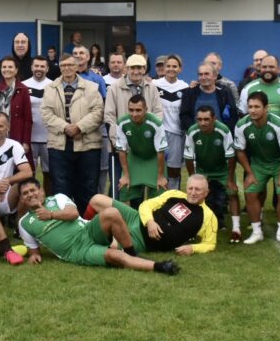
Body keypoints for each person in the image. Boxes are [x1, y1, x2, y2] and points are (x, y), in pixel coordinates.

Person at [14, 178, 179, 274]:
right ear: (21, 199)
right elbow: (34, 251)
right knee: (114, 256)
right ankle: (160, 266)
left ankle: (132, 254)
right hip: (76, 250)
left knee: (112, 213)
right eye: (25, 193)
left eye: (33, 190)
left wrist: (50, 215)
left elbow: (73, 214)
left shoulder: (57, 198)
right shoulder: (24, 223)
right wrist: (34, 257)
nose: (30, 195)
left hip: (87, 230)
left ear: (41, 191)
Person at [86, 173, 218, 255]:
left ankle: (85, 239)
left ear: (206, 192)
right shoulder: (174, 194)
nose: (193, 193)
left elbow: (210, 244)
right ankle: (84, 225)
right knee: (97, 199)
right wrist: (150, 222)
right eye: (190, 188)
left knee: (112, 246)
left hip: (143, 240)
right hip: (136, 218)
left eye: (198, 189)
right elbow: (147, 204)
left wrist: (193, 248)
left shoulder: (208, 216)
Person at [39, 53, 104, 212]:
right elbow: (46, 114)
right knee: (61, 188)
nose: (66, 68)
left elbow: (98, 112)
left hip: (87, 146)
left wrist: (79, 127)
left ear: (76, 66)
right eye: (63, 65)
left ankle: (87, 222)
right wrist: (65, 127)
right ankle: (65, 222)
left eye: (70, 65)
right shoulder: (49, 89)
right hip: (59, 146)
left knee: (87, 188)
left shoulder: (91, 87)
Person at [233, 91, 280, 245]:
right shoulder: (241, 125)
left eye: (257, 107)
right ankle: (256, 232)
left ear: (266, 108)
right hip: (258, 163)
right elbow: (239, 150)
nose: (253, 110)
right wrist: (249, 173)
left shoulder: (279, 124)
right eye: (250, 107)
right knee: (250, 192)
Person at [183, 106, 236, 228]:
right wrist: (193, 177)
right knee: (198, 196)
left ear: (214, 119)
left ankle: (235, 227)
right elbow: (188, 157)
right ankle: (197, 223)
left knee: (232, 193)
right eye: (199, 119)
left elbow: (231, 157)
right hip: (202, 170)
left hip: (222, 170)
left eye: (206, 119)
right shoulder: (192, 131)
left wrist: (230, 180)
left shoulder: (223, 130)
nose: (203, 123)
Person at [111, 95, 167, 207]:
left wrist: (160, 177)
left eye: (138, 110)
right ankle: (132, 216)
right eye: (131, 110)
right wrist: (125, 175)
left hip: (153, 158)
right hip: (135, 157)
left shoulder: (156, 123)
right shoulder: (122, 122)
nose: (134, 114)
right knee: (126, 187)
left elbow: (160, 152)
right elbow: (122, 150)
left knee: (159, 190)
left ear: (146, 109)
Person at [0, 55, 32, 152]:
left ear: (16, 70)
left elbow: (27, 119)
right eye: (4, 67)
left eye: (10, 67)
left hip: (16, 136)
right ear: (1, 70)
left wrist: (26, 142)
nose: (7, 69)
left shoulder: (23, 89)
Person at [154, 54, 190, 191]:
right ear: (164, 67)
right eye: (168, 66)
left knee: (174, 169)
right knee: (158, 169)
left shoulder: (184, 87)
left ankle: (173, 195)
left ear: (180, 69)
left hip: (177, 133)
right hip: (159, 133)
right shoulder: (154, 84)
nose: (171, 69)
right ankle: (158, 197)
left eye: (174, 66)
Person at [22, 56, 53, 187]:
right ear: (31, 67)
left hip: (49, 138)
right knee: (29, 174)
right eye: (36, 66)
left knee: (50, 174)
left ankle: (49, 199)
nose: (39, 69)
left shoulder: (54, 86)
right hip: (29, 139)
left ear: (47, 68)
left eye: (42, 66)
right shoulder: (23, 85)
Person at [180, 61, 238, 131]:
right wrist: (194, 131)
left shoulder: (225, 92)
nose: (203, 77)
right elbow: (184, 116)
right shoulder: (189, 93)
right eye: (200, 74)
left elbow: (233, 115)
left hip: (221, 135)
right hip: (196, 135)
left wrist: (225, 131)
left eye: (206, 74)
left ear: (215, 76)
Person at [240, 54, 280, 119]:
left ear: (278, 69)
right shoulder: (248, 88)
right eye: (264, 67)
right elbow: (243, 114)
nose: (267, 70)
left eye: (271, 67)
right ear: (260, 68)